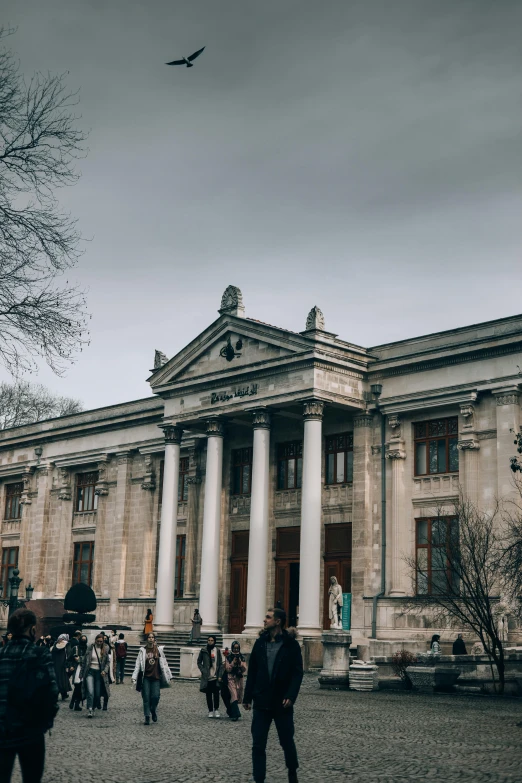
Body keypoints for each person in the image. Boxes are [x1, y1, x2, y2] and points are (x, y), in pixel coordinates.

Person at [243, 607, 303, 783]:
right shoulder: (260, 642)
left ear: (277, 621)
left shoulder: (290, 644)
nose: (264, 620)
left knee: (286, 741)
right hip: (261, 701)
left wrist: (291, 696)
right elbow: (252, 671)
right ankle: (258, 779)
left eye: (268, 617)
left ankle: (292, 771)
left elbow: (297, 673)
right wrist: (247, 697)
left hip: (282, 702)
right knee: (258, 744)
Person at [0, 608, 59, 783]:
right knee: (32, 778)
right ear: (32, 630)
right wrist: (45, 722)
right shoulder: (39, 655)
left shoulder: (1, 655)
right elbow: (52, 691)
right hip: (31, 729)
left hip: (2, 730)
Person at [131, 632, 172, 725]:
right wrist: (134, 677)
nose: (150, 639)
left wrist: (169, 675)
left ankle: (153, 710)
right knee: (146, 697)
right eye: (149, 637)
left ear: (154, 639)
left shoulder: (158, 650)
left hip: (156, 677)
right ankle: (147, 716)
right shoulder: (142, 651)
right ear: (147, 639)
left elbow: (164, 663)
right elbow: (137, 665)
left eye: (152, 637)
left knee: (155, 696)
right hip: (146, 677)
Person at [80, 633, 111, 718]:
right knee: (90, 691)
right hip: (90, 671)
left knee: (97, 694)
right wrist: (81, 673)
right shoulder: (90, 647)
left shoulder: (105, 648)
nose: (99, 643)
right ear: (95, 640)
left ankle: (93, 707)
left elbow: (108, 662)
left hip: (99, 673)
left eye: (101, 641)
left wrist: (105, 670)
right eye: (98, 641)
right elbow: (84, 661)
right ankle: (90, 709)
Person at [197, 635, 224, 718]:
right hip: (207, 676)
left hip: (215, 676)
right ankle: (210, 710)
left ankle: (216, 709)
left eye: (212, 640)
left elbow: (220, 664)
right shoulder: (203, 650)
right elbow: (199, 662)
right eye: (209, 640)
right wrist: (203, 670)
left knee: (216, 694)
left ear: (214, 641)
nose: (210, 641)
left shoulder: (218, 650)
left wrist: (220, 675)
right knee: (208, 694)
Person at [225, 640, 247, 721]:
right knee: (233, 695)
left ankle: (230, 710)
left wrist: (240, 663)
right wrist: (233, 663)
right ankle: (236, 714)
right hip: (231, 678)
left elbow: (244, 669)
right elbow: (227, 669)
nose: (236, 650)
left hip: (239, 678)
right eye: (234, 648)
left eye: (237, 648)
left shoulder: (242, 657)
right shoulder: (229, 657)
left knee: (238, 695)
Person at [70, 634, 88, 711]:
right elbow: (70, 658)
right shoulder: (75, 648)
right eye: (82, 639)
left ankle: (75, 702)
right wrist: (71, 666)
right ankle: (74, 702)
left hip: (85, 669)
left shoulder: (88, 649)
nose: (83, 641)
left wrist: (80, 658)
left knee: (81, 687)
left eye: (84, 639)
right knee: (78, 686)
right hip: (77, 668)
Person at [51, 634, 71, 701]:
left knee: (57, 679)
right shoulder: (67, 644)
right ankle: (63, 694)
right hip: (62, 664)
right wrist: (68, 664)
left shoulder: (55, 644)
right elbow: (69, 654)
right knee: (62, 679)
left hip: (56, 664)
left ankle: (58, 694)